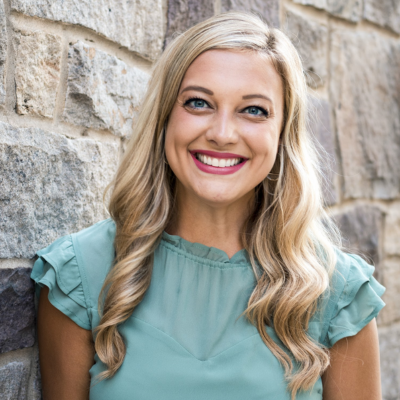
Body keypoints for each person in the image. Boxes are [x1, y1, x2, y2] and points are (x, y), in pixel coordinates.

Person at [31, 12, 385, 400]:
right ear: (165, 118)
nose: (221, 134)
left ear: (283, 133)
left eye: (253, 110)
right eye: (198, 103)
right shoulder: (79, 274)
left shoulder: (338, 294)